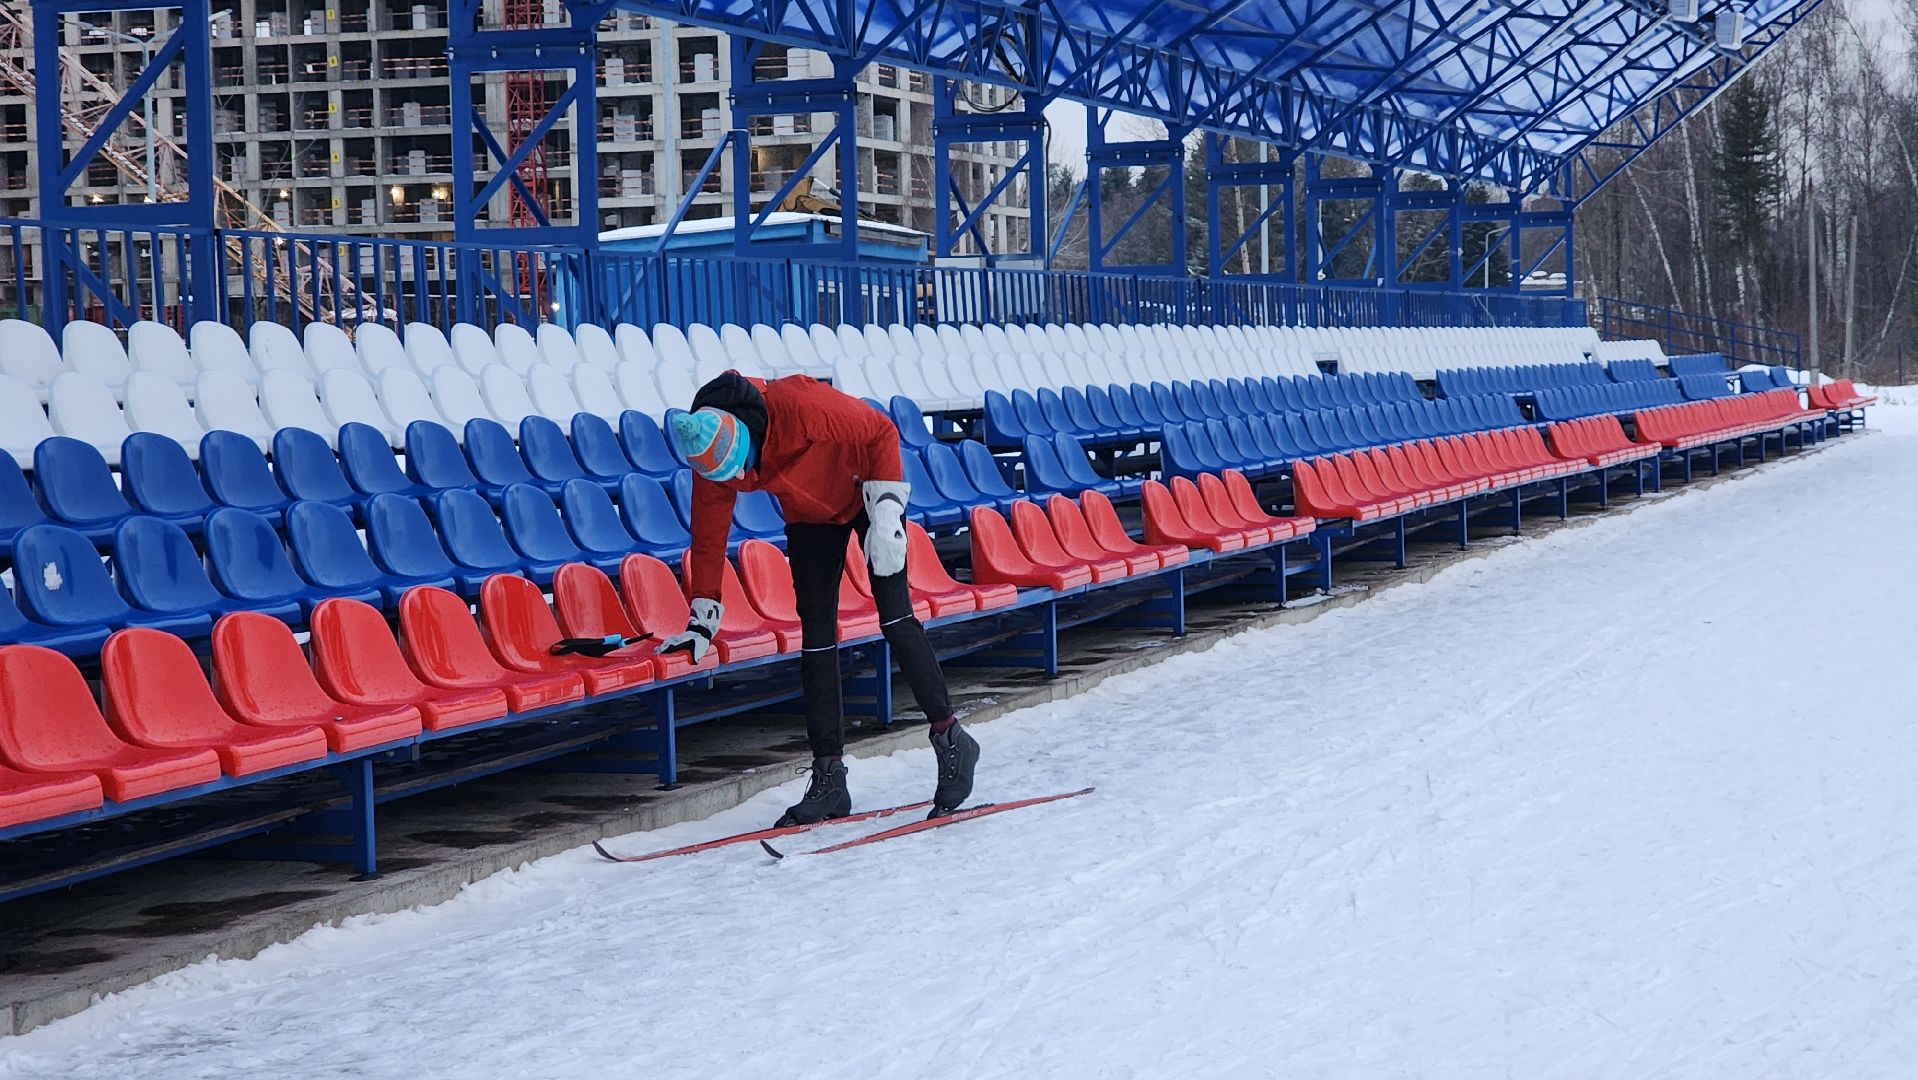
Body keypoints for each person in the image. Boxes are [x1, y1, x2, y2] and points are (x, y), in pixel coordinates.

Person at [659, 370, 980, 824]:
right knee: (816, 639)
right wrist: (701, 618)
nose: (744, 477)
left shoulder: (800, 404)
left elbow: (881, 431)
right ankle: (829, 777)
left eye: (744, 464)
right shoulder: (713, 463)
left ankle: (952, 740)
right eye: (732, 476)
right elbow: (708, 538)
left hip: (869, 493)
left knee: (894, 617)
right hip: (810, 515)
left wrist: (887, 513)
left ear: (750, 430)